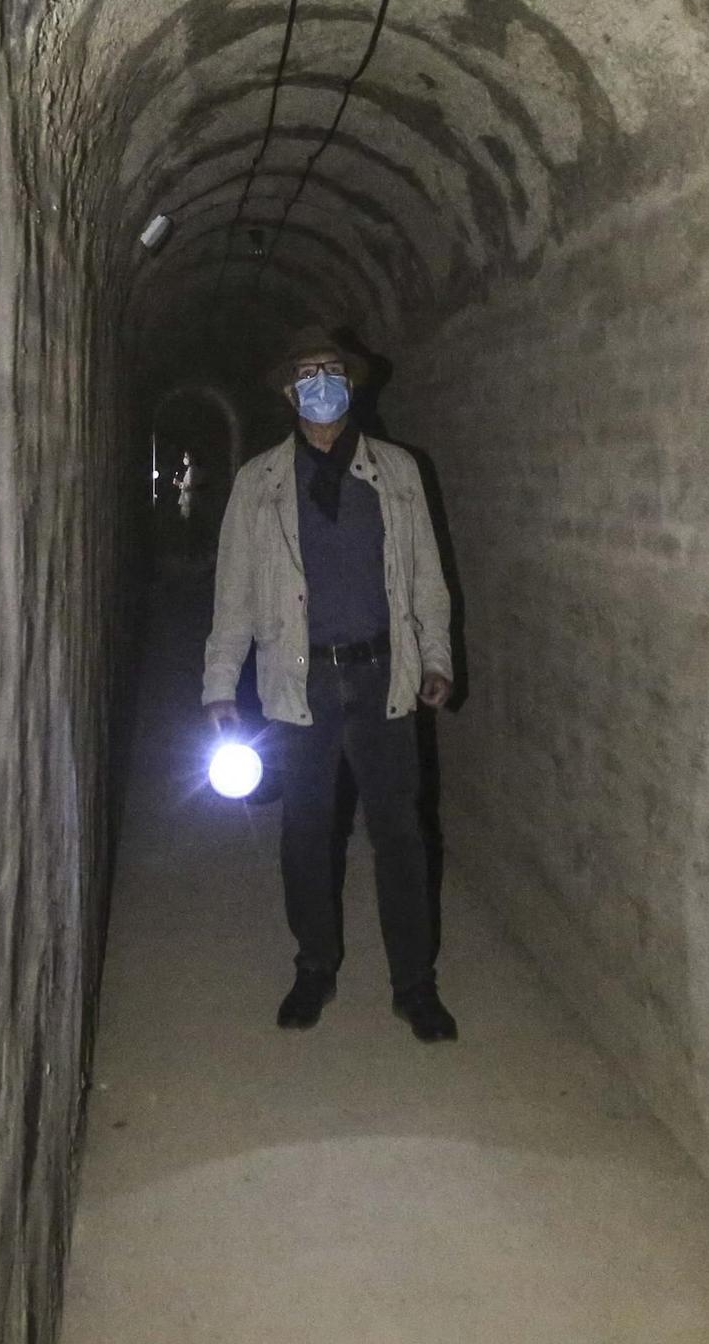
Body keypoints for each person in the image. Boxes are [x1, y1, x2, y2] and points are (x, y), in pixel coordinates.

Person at [201, 328, 458, 1041]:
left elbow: (428, 582)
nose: (320, 382)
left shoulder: (399, 472)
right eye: (306, 373)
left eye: (331, 371)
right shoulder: (259, 484)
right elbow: (235, 598)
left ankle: (414, 983)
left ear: (352, 384)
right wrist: (220, 686)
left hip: (383, 678)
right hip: (300, 682)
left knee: (400, 836)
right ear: (288, 392)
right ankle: (314, 966)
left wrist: (435, 658)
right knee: (306, 833)